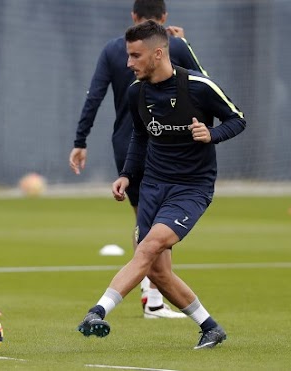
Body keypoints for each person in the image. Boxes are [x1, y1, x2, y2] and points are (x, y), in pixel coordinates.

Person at [77, 20, 246, 349]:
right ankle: (210, 327)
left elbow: (237, 118)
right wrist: (127, 174)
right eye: (128, 56)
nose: (129, 63)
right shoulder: (135, 91)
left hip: (191, 189)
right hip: (153, 185)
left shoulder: (198, 87)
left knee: (148, 247)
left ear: (158, 53)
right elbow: (140, 137)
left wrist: (212, 134)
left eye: (135, 56)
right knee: (157, 271)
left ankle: (97, 312)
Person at [69, 0, 207, 319]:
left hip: (126, 142)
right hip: (164, 145)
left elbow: (95, 94)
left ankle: (151, 296)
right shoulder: (174, 46)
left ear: (133, 16)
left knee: (145, 222)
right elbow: (205, 85)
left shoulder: (111, 49)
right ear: (164, 19)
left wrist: (80, 140)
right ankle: (154, 299)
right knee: (158, 225)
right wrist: (184, 43)